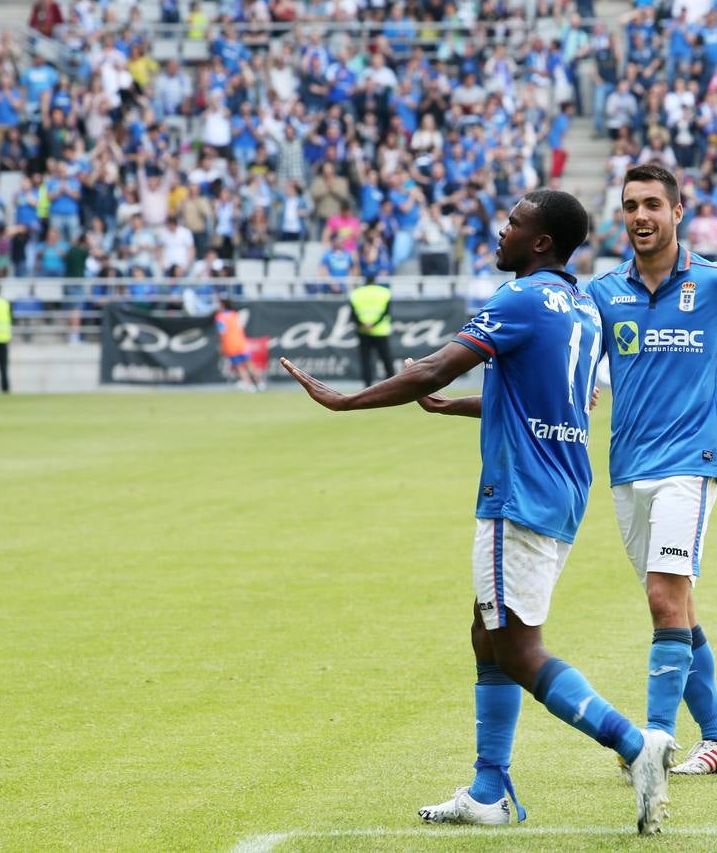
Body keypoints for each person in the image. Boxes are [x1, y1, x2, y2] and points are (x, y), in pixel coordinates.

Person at [280, 188, 676, 834]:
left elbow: (434, 367)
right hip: (561, 486)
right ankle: (489, 791)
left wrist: (347, 401)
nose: (501, 231)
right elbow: (551, 403)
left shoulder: (518, 298)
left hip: (517, 492)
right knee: (485, 631)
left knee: (518, 649)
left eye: (514, 222)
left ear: (540, 242)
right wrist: (461, 406)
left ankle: (635, 746)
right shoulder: (578, 307)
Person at [587, 163, 717, 778]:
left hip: (690, 464)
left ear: (678, 212)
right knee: (678, 606)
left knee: (662, 595)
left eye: (652, 204)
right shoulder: (603, 291)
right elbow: (582, 361)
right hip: (627, 468)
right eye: (630, 205)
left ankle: (655, 743)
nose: (640, 216)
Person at [348, 272, 394, 387]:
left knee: (365, 360)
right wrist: (374, 324)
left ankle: (367, 386)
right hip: (380, 331)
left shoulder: (355, 293)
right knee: (386, 359)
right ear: (375, 281)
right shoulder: (385, 292)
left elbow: (353, 315)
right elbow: (386, 313)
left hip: (363, 331)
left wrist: (363, 324)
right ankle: (393, 384)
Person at [215, 299, 264, 391]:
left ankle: (249, 386)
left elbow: (222, 332)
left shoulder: (220, 317)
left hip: (230, 344)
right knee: (250, 365)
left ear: (222, 305)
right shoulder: (234, 314)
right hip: (241, 343)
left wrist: (221, 345)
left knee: (240, 367)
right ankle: (260, 383)